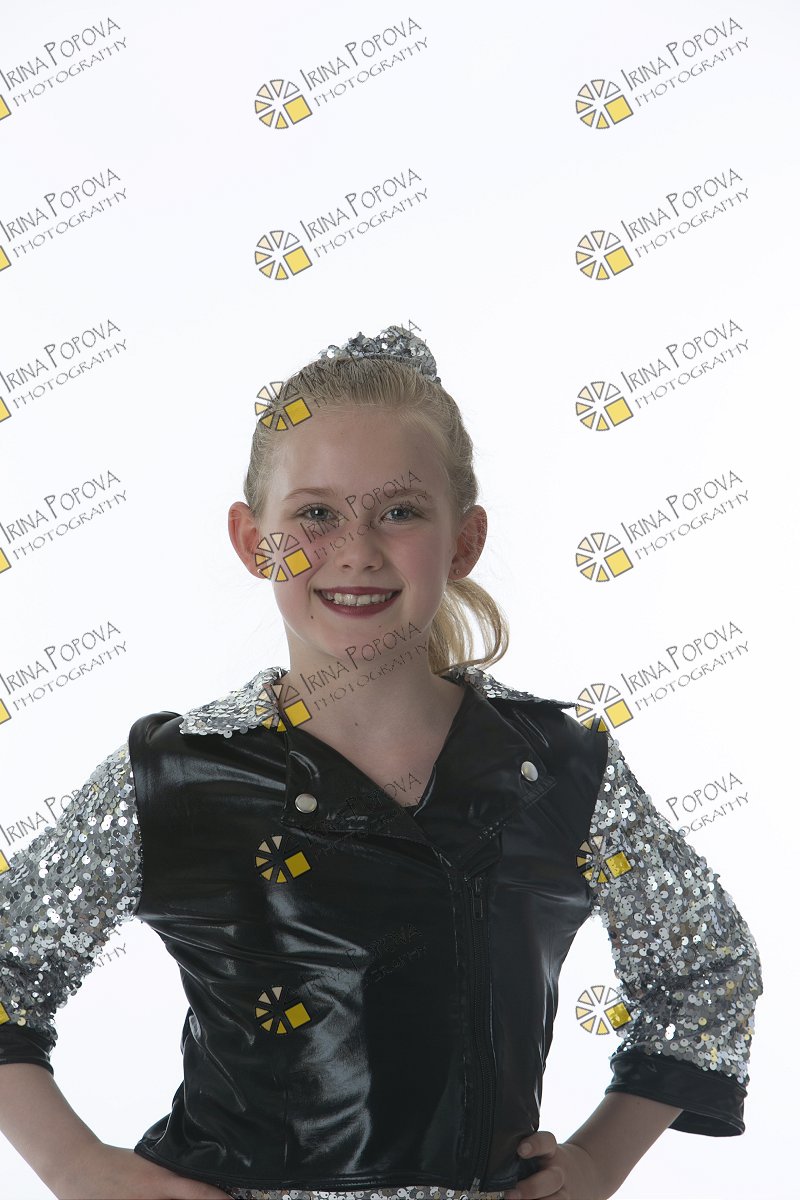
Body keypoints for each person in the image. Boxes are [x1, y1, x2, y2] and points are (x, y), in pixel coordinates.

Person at [0, 326, 763, 1200]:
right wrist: (76, 1167)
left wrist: (599, 1161)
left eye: (399, 512)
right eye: (316, 514)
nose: (356, 550)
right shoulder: (180, 775)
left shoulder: (554, 768)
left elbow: (707, 967)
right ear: (253, 541)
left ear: (464, 540)